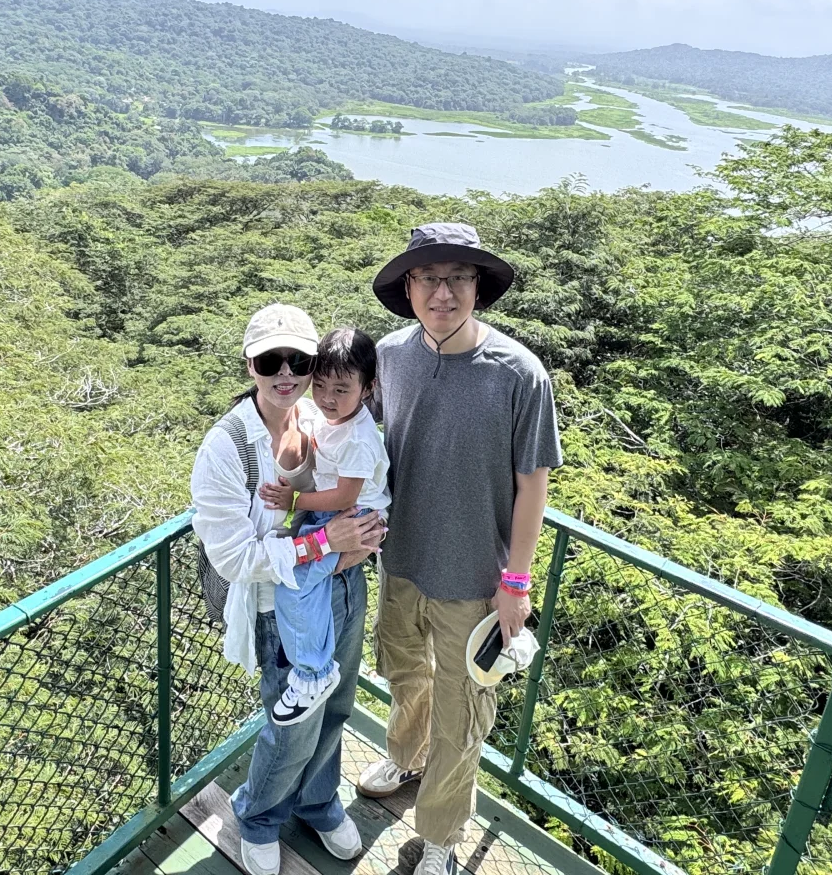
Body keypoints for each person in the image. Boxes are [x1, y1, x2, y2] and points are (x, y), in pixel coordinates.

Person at [358, 224, 563, 875]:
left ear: (477, 287)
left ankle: (441, 839)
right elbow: (354, 438)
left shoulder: (519, 372)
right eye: (428, 278)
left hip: (477, 577)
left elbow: (534, 483)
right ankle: (405, 756)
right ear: (408, 288)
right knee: (404, 676)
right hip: (400, 563)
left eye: (457, 278)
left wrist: (518, 583)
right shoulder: (388, 356)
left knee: (461, 712)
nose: (442, 292)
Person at [190, 303, 386, 875]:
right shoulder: (225, 448)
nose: (285, 372)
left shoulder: (316, 415)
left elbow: (353, 487)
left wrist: (353, 542)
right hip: (283, 602)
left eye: (297, 360)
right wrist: (330, 544)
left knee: (337, 706)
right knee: (292, 724)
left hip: (344, 586)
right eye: (269, 359)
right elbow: (232, 557)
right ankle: (257, 817)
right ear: (248, 364)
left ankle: (318, 800)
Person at [258, 328, 391, 727]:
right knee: (307, 584)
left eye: (341, 389)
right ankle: (307, 655)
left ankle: (312, 672)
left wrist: (294, 501)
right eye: (318, 386)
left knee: (296, 583)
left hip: (350, 517)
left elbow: (343, 498)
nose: (327, 398)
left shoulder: (359, 440)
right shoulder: (337, 419)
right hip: (340, 517)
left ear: (368, 388)